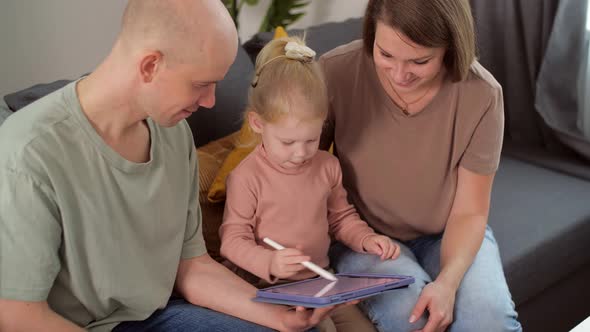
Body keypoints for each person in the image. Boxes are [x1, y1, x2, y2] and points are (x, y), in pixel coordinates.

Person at [0, 1, 344, 331]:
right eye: (201, 85)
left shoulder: (175, 135)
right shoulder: (27, 154)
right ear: (150, 65)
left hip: (156, 315)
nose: (210, 102)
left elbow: (192, 267)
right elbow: (17, 317)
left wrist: (279, 319)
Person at [318, 0, 523, 331]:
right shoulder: (335, 72)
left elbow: (470, 212)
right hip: (363, 236)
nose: (400, 75)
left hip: (448, 231)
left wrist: (448, 284)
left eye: (420, 60)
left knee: (489, 322)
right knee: (415, 318)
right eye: (386, 55)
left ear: (450, 48)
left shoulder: (482, 95)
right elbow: (299, 171)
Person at [219, 37, 400, 332]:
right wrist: (270, 262)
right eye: (288, 142)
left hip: (319, 282)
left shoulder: (327, 166)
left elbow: (341, 218)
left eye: (312, 139)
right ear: (257, 124)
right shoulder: (246, 177)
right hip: (266, 288)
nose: (301, 153)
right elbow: (232, 241)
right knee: (323, 329)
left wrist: (367, 239)